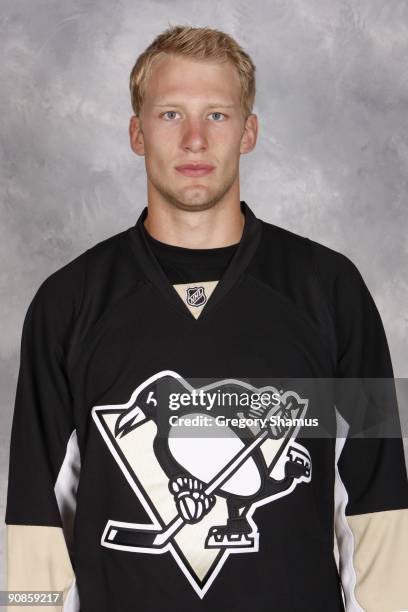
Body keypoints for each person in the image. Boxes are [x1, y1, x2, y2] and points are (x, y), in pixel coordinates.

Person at [5, 24, 408, 612]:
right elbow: (35, 519)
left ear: (248, 132)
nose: (194, 140)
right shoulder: (68, 302)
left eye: (217, 115)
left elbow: (380, 501)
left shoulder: (332, 290)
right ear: (137, 133)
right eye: (170, 115)